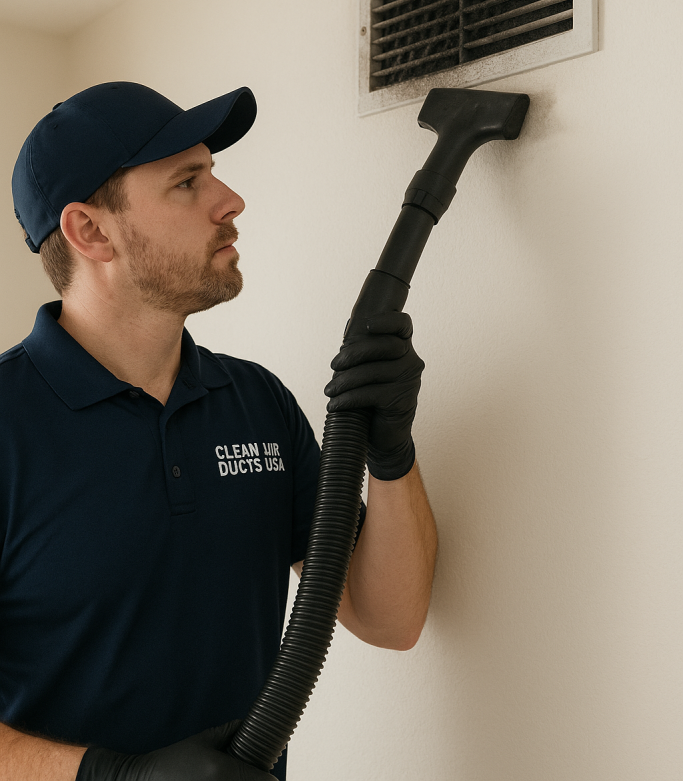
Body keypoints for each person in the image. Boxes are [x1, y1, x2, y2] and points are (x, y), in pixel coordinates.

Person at [0, 81, 438, 781]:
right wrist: (114, 777)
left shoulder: (256, 402)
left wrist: (391, 455)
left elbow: (390, 619)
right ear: (90, 231)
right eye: (186, 181)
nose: (229, 200)